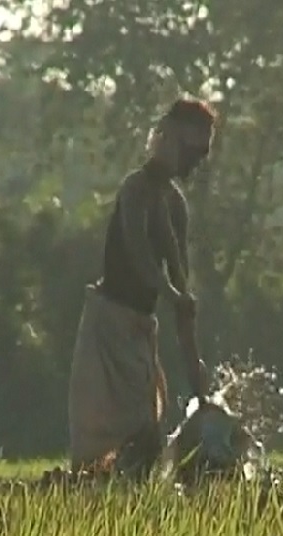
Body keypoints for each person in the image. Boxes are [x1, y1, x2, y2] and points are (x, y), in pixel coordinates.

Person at [67, 96, 216, 476]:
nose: (196, 163)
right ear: (170, 141)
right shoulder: (135, 190)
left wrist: (193, 362)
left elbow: (181, 285)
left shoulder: (175, 204)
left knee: (143, 436)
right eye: (192, 151)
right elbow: (137, 253)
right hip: (108, 324)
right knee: (106, 441)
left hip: (138, 331)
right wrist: (172, 295)